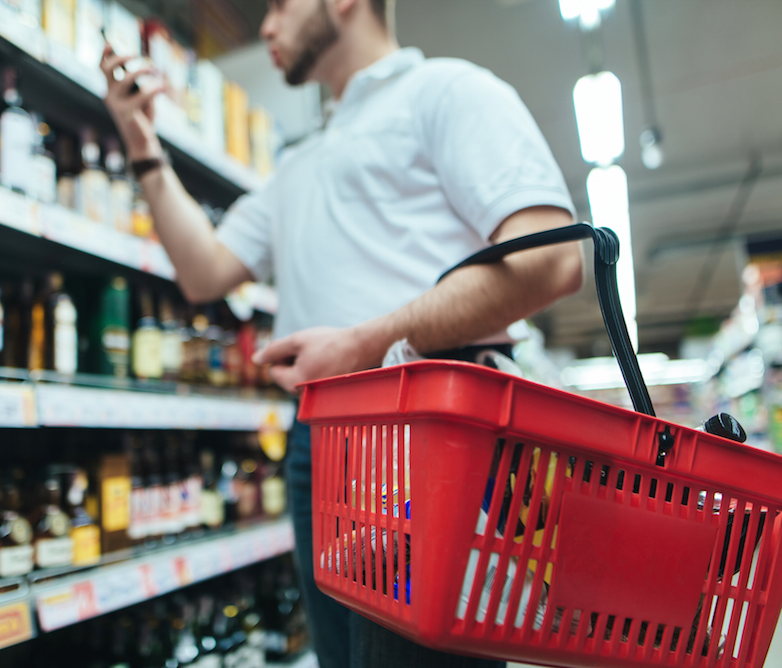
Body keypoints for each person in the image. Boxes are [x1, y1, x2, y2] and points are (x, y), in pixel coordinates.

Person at [100, 0, 583, 666]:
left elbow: (551, 258)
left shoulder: (448, 91)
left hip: (425, 436)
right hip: (318, 444)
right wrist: (141, 145)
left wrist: (363, 344)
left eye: (278, 5)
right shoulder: (298, 165)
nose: (265, 26)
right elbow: (202, 271)